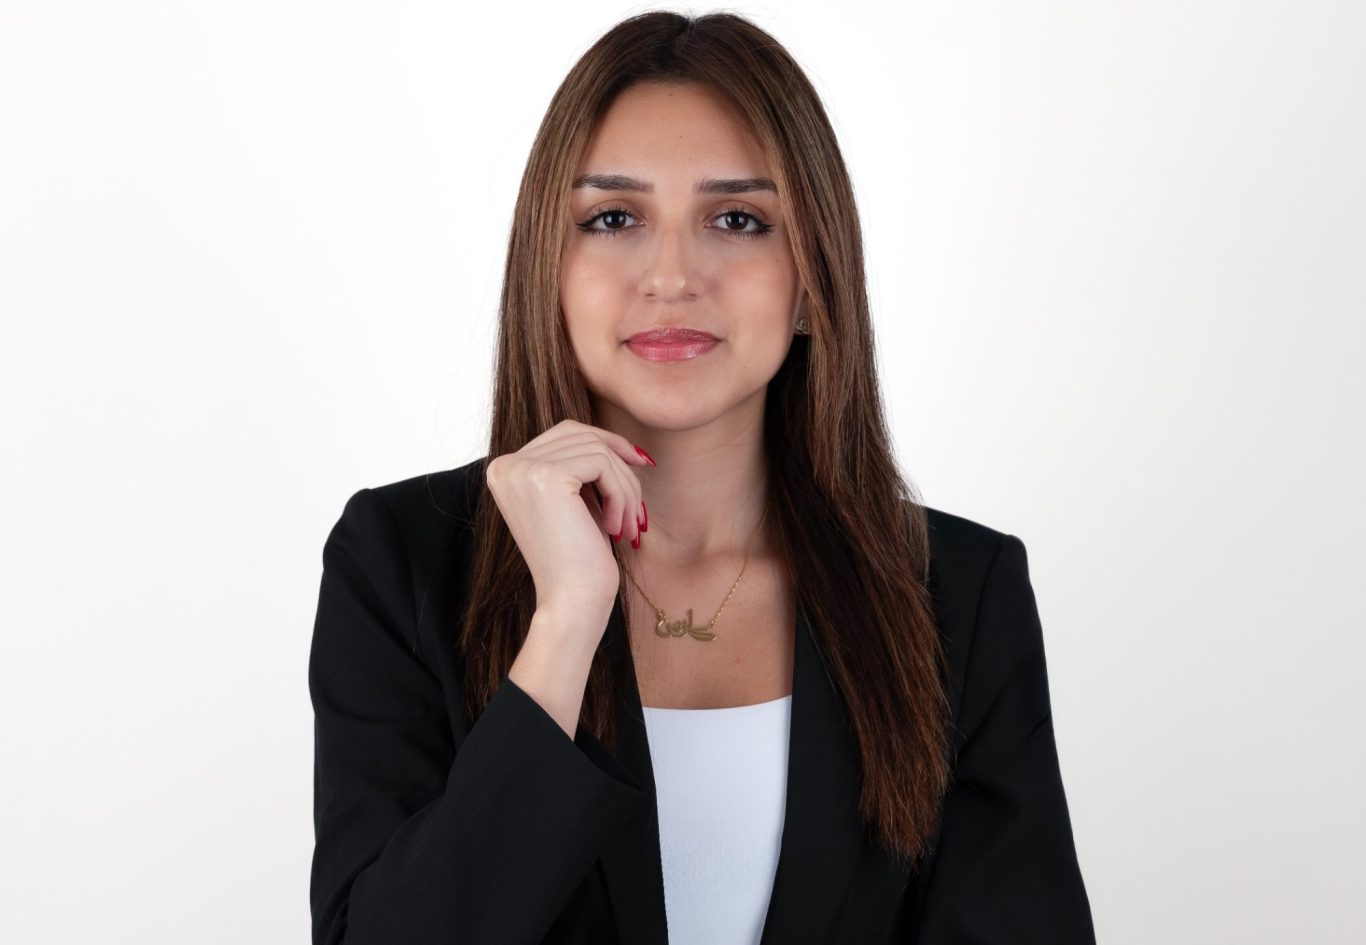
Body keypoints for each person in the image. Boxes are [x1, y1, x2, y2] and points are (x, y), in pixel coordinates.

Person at [308, 10, 1095, 945]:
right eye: (613, 218)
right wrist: (561, 628)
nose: (673, 275)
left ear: (812, 281)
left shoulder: (958, 594)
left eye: (736, 219)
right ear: (546, 272)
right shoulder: (399, 562)